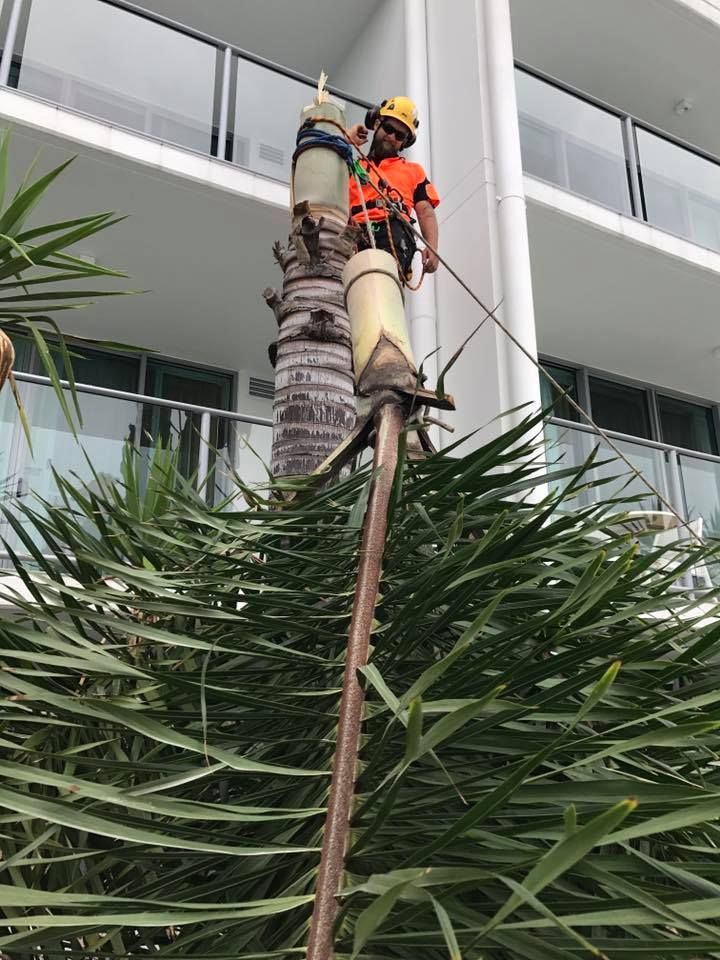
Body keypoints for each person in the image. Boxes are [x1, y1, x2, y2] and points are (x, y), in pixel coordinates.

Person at [347, 96, 440, 281]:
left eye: (400, 136)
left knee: (382, 282)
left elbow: (425, 211)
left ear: (405, 142)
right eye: (389, 129)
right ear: (377, 123)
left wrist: (432, 248)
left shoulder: (413, 171)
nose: (392, 137)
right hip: (352, 232)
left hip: (392, 234)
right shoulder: (351, 166)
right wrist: (347, 141)